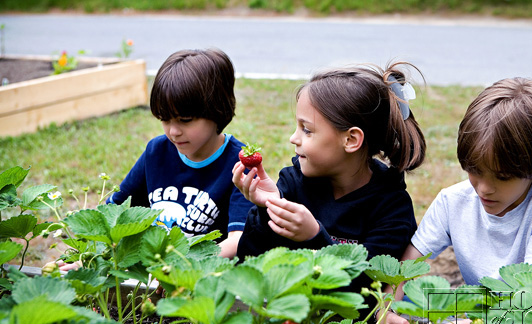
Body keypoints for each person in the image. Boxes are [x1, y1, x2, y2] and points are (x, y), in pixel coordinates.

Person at [379, 77, 532, 324]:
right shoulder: (453, 201)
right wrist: (387, 310)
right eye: (474, 171)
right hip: (475, 313)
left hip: (531, 320)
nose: (483, 188)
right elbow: (408, 265)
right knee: (412, 305)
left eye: (502, 177)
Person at [229, 62, 427, 299]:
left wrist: (315, 237)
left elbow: (365, 290)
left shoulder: (391, 207)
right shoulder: (292, 183)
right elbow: (248, 263)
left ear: (351, 139)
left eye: (307, 130)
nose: (293, 138)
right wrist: (268, 207)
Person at [104, 48, 253, 257]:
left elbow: (238, 240)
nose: (173, 132)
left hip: (205, 277)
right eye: (164, 119)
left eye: (185, 120)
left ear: (217, 110)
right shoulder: (156, 152)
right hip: (155, 269)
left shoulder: (240, 164)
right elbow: (113, 211)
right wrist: (90, 258)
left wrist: (186, 265)